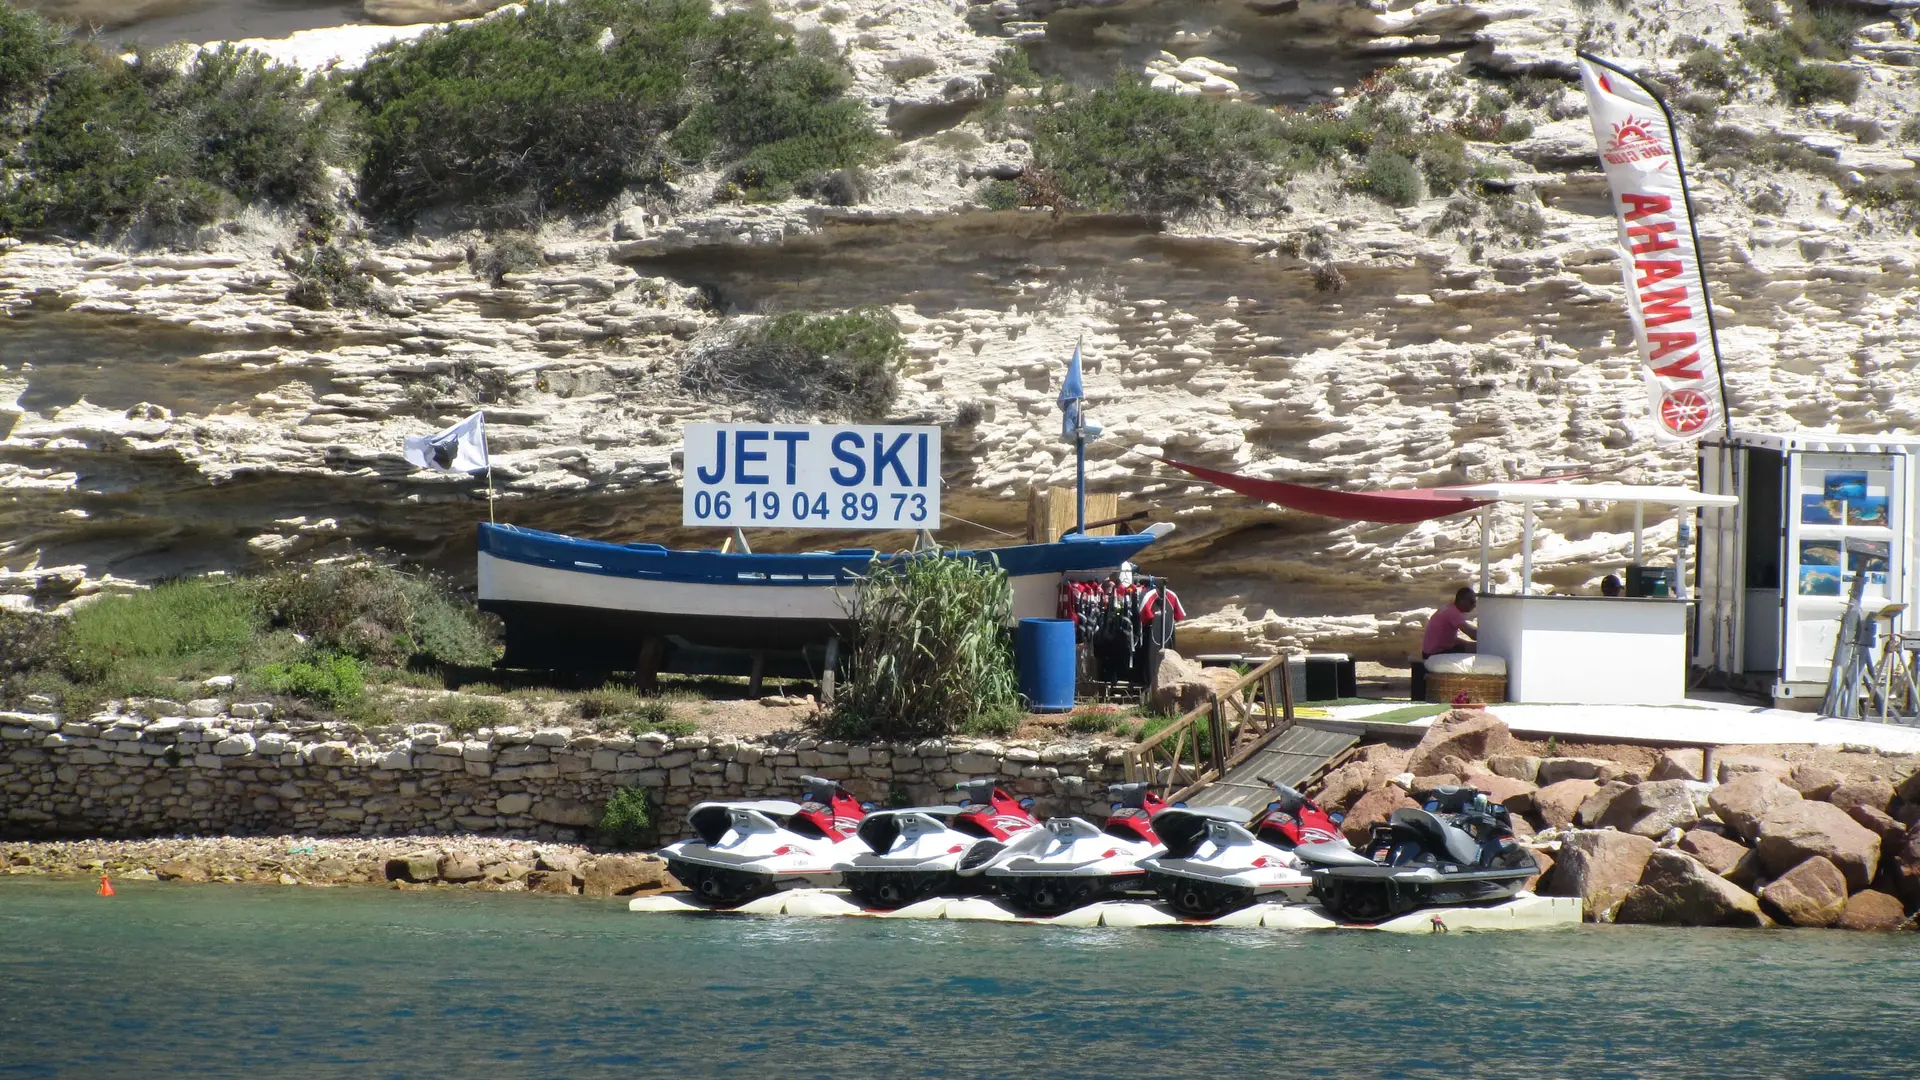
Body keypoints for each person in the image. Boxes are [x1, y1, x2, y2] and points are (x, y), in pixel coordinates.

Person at [1421, 587, 1477, 658]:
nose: (1474, 605)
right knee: (1478, 650)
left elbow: (1450, 639)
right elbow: (1473, 635)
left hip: (1429, 651)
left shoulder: (1449, 608)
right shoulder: (1454, 613)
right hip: (1434, 654)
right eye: (1472, 602)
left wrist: (1468, 644)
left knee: (1473, 647)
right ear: (1461, 600)